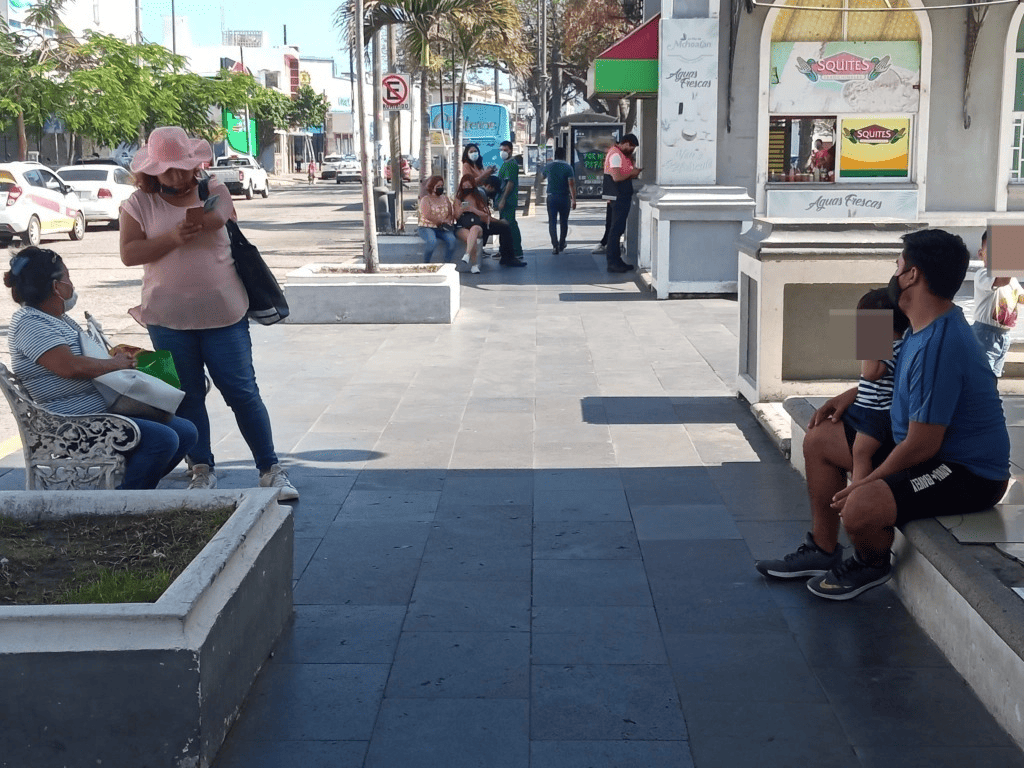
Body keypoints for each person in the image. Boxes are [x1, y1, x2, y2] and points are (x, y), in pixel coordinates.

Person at [756, 229, 1010, 600]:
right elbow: (896, 379)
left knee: (860, 506)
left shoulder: (941, 345)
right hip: (925, 448)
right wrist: (851, 394)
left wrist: (864, 483)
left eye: (898, 264)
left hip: (965, 471)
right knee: (821, 439)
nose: (894, 272)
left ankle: (870, 563)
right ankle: (823, 550)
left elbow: (923, 444)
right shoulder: (919, 328)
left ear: (913, 275)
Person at [119, 126, 298, 500]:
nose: (176, 176)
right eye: (166, 170)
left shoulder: (212, 188)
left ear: (194, 163)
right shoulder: (137, 204)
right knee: (185, 396)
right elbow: (129, 254)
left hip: (224, 316)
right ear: (151, 171)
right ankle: (201, 468)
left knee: (243, 392)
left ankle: (269, 468)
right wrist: (171, 238)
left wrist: (197, 217)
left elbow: (217, 217)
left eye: (182, 167)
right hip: (165, 319)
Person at [4, 247, 198, 490]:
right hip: (70, 424)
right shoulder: (30, 324)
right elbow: (69, 367)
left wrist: (112, 357)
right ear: (56, 287)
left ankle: (130, 488)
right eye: (68, 277)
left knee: (186, 432)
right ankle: (123, 505)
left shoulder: (56, 319)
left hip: (100, 414)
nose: (72, 285)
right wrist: (113, 365)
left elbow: (82, 357)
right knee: (163, 440)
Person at [845, 288, 908, 483]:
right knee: (858, 452)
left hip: (878, 412)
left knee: (861, 454)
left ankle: (857, 494)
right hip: (867, 408)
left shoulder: (895, 346)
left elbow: (871, 373)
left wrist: (869, 343)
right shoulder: (888, 346)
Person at [972, 230, 1023, 378]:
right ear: (981, 254)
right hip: (984, 333)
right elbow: (1003, 279)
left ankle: (992, 398)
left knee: (994, 374)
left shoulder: (1012, 280)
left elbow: (1021, 298)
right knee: (983, 374)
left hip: (1004, 335)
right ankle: (984, 399)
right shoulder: (983, 274)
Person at [603, 134, 642, 273]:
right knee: (616, 230)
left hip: (621, 196)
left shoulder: (622, 155)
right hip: (618, 196)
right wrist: (632, 173)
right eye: (631, 146)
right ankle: (612, 262)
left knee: (618, 229)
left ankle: (617, 260)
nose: (632, 149)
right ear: (625, 143)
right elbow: (617, 176)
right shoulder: (615, 155)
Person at [417, 175, 458, 264]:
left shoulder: (445, 198)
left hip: (442, 228)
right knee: (432, 242)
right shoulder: (426, 199)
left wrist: (448, 220)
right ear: (432, 187)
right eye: (438, 186)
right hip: (427, 227)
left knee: (452, 241)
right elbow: (427, 215)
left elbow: (450, 213)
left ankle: (447, 263)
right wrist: (441, 221)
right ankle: (426, 263)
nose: (440, 188)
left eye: (441, 186)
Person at [494, 140, 524, 262]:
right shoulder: (506, 163)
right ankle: (504, 250)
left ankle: (516, 251)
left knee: (509, 225)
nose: (503, 152)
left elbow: (510, 184)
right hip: (505, 200)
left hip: (508, 201)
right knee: (505, 225)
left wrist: (503, 199)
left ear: (511, 150)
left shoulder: (511, 164)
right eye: (501, 150)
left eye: (505, 150)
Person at [544, 146, 576, 254]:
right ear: (564, 156)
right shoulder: (568, 167)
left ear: (555, 155)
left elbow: (541, 177)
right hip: (564, 197)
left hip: (551, 197)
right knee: (564, 221)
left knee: (552, 221)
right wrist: (574, 200)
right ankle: (562, 244)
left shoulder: (549, 166)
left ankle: (554, 245)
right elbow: (571, 184)